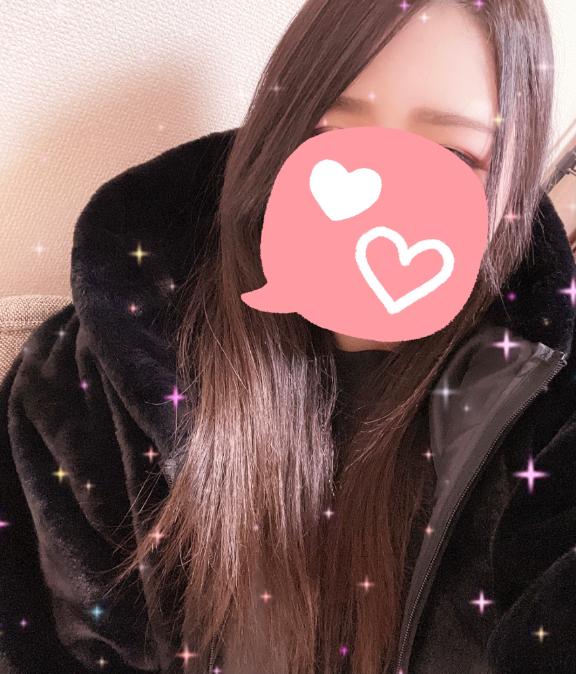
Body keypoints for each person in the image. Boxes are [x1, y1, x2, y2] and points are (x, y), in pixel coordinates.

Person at [1, 0, 575, 673]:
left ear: (507, 192)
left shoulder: (545, 399)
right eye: (329, 131)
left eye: (451, 154)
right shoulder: (89, 380)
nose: (383, 200)